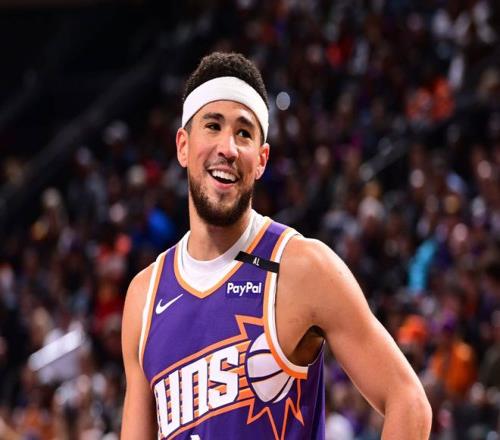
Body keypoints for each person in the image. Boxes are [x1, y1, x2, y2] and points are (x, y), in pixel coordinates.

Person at [121, 52, 432, 439]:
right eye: (213, 126)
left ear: (262, 159)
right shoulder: (144, 297)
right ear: (183, 146)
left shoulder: (303, 266)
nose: (228, 148)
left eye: (244, 133)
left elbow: (409, 401)